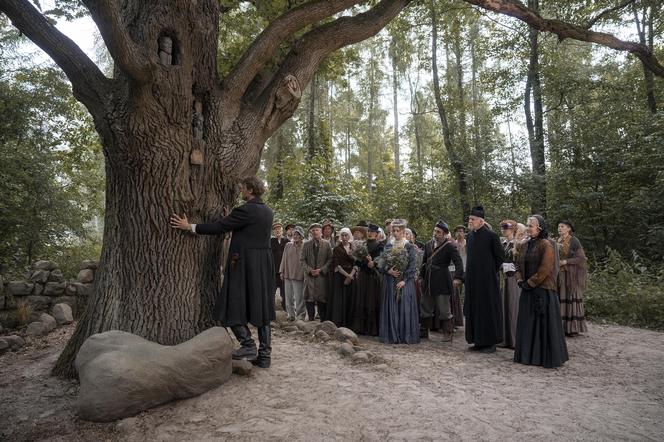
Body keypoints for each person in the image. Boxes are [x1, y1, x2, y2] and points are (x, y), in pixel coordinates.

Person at [169, 176, 275, 368]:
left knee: (230, 303)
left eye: (243, 188)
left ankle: (248, 345)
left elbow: (219, 227)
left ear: (250, 189)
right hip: (262, 265)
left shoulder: (245, 211)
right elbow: (242, 227)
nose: (241, 190)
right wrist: (230, 218)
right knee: (262, 307)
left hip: (243, 264)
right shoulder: (267, 211)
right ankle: (265, 356)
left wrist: (189, 227)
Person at [514, 215, 569, 368]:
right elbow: (518, 264)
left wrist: (530, 283)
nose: (528, 228)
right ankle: (527, 356)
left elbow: (545, 269)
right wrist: (519, 280)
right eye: (527, 225)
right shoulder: (525, 245)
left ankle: (543, 357)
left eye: (531, 226)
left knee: (543, 324)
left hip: (543, 291)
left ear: (539, 228)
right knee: (527, 323)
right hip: (527, 290)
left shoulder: (547, 245)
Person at [464, 206, 505, 353]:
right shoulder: (469, 237)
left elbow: (500, 258)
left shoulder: (491, 236)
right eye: (469, 219)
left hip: (487, 282)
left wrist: (488, 272)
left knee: (487, 311)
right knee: (474, 310)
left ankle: (490, 343)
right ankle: (477, 341)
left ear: (481, 221)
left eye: (472, 219)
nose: (470, 221)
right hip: (472, 281)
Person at [419, 220, 464, 341]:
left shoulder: (449, 245)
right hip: (428, 280)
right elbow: (424, 262)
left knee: (444, 309)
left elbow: (458, 262)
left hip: (442, 280)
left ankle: (448, 333)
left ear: (444, 234)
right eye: (435, 231)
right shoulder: (428, 244)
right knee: (425, 306)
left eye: (438, 232)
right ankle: (424, 331)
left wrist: (458, 277)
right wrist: (421, 276)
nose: (435, 234)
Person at [377, 219, 420, 344]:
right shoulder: (389, 245)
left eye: (398, 231)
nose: (395, 233)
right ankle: (392, 334)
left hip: (404, 282)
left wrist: (405, 281)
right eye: (393, 231)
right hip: (390, 281)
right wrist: (387, 271)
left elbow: (413, 266)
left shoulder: (409, 246)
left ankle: (404, 335)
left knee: (404, 307)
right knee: (392, 306)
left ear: (402, 231)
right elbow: (381, 263)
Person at [557, 220, 588, 336]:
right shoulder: (557, 240)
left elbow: (581, 259)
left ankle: (572, 328)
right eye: (559, 226)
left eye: (562, 226)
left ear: (569, 228)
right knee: (560, 299)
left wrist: (566, 261)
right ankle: (561, 327)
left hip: (571, 275)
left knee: (570, 299)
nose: (560, 228)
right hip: (559, 275)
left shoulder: (574, 241)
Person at [352, 223, 383, 335]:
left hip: (373, 277)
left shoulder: (380, 246)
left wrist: (373, 263)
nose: (370, 234)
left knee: (371, 301)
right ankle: (361, 328)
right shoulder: (362, 245)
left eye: (373, 232)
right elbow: (356, 262)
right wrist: (364, 261)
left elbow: (382, 262)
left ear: (376, 234)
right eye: (369, 232)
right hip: (363, 276)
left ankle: (372, 329)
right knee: (361, 300)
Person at [300, 223, 333, 321]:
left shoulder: (327, 244)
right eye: (313, 230)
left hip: (321, 276)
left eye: (317, 230)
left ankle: (323, 319)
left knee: (322, 297)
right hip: (309, 276)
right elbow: (302, 260)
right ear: (311, 232)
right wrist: (310, 270)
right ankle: (311, 318)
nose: (315, 232)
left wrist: (322, 270)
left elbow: (330, 259)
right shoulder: (306, 244)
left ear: (321, 232)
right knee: (309, 297)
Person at [329, 227, 357, 327]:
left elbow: (357, 263)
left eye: (346, 235)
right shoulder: (336, 249)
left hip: (352, 276)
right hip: (340, 276)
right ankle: (339, 323)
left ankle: (350, 323)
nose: (344, 237)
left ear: (349, 236)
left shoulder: (354, 248)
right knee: (340, 299)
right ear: (340, 236)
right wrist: (347, 275)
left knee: (350, 299)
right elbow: (336, 264)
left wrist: (351, 275)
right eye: (342, 235)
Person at [500, 219, 520, 348]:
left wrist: (511, 266)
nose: (503, 230)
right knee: (504, 307)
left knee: (512, 307)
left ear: (512, 229)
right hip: (504, 277)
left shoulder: (517, 244)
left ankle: (514, 340)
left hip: (513, 278)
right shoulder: (504, 243)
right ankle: (504, 339)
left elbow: (520, 262)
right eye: (502, 228)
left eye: (506, 228)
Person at [280, 226, 306, 321]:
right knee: (288, 297)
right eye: (294, 234)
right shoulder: (288, 245)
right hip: (287, 273)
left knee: (299, 297)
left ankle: (300, 316)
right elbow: (284, 258)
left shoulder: (305, 246)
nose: (295, 236)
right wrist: (281, 271)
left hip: (299, 274)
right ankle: (290, 315)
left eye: (298, 234)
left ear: (302, 236)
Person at [450, 225, 467, 327]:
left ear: (464, 233)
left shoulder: (468, 243)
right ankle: (456, 317)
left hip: (467, 270)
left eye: (461, 231)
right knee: (456, 294)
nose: (460, 233)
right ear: (455, 233)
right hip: (456, 272)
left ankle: (467, 313)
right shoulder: (453, 244)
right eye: (458, 231)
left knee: (468, 293)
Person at [271, 222, 288, 310]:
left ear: (282, 230)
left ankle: (286, 308)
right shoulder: (270, 241)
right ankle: (271, 309)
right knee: (271, 291)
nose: (277, 230)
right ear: (273, 232)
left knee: (284, 292)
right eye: (275, 229)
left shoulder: (287, 242)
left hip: (283, 271)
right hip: (273, 271)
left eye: (279, 229)